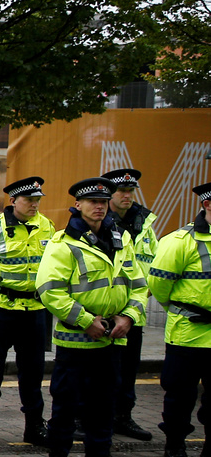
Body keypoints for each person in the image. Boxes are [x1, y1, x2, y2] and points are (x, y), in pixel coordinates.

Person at [36, 177, 147, 457]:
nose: (99, 207)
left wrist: (129, 317)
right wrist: (86, 320)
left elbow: (139, 286)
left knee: (105, 400)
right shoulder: (64, 243)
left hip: (112, 338)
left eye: (103, 201)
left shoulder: (120, 240)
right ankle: (57, 456)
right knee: (66, 401)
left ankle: (99, 456)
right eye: (92, 202)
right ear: (78, 205)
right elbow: (49, 290)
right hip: (76, 339)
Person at [0, 177, 54, 448]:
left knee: (33, 374)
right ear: (13, 201)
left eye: (38, 200)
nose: (35, 204)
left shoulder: (47, 227)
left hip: (35, 310)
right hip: (1, 309)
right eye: (29, 200)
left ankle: (34, 426)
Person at [147, 181, 211, 457]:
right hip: (188, 333)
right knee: (180, 396)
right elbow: (159, 286)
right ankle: (175, 447)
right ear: (207, 204)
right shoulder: (179, 241)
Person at [102, 168, 158, 441]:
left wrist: (138, 302)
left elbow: (154, 265)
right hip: (105, 310)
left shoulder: (144, 222)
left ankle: (123, 417)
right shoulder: (100, 221)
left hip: (134, 311)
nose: (126, 196)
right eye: (121, 191)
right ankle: (85, 417)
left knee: (128, 369)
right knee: (96, 371)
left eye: (130, 191)